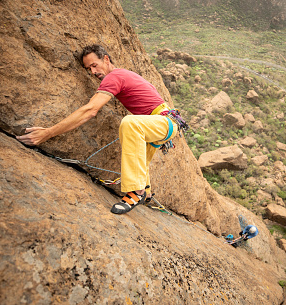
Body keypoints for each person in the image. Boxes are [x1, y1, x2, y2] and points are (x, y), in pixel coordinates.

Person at [16, 44, 186, 215]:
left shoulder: (114, 76)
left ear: (106, 59)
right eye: (88, 68)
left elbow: (90, 110)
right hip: (160, 123)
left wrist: (47, 133)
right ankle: (146, 193)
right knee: (139, 160)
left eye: (94, 65)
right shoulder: (124, 74)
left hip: (164, 121)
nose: (92, 72)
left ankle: (136, 192)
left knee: (130, 124)